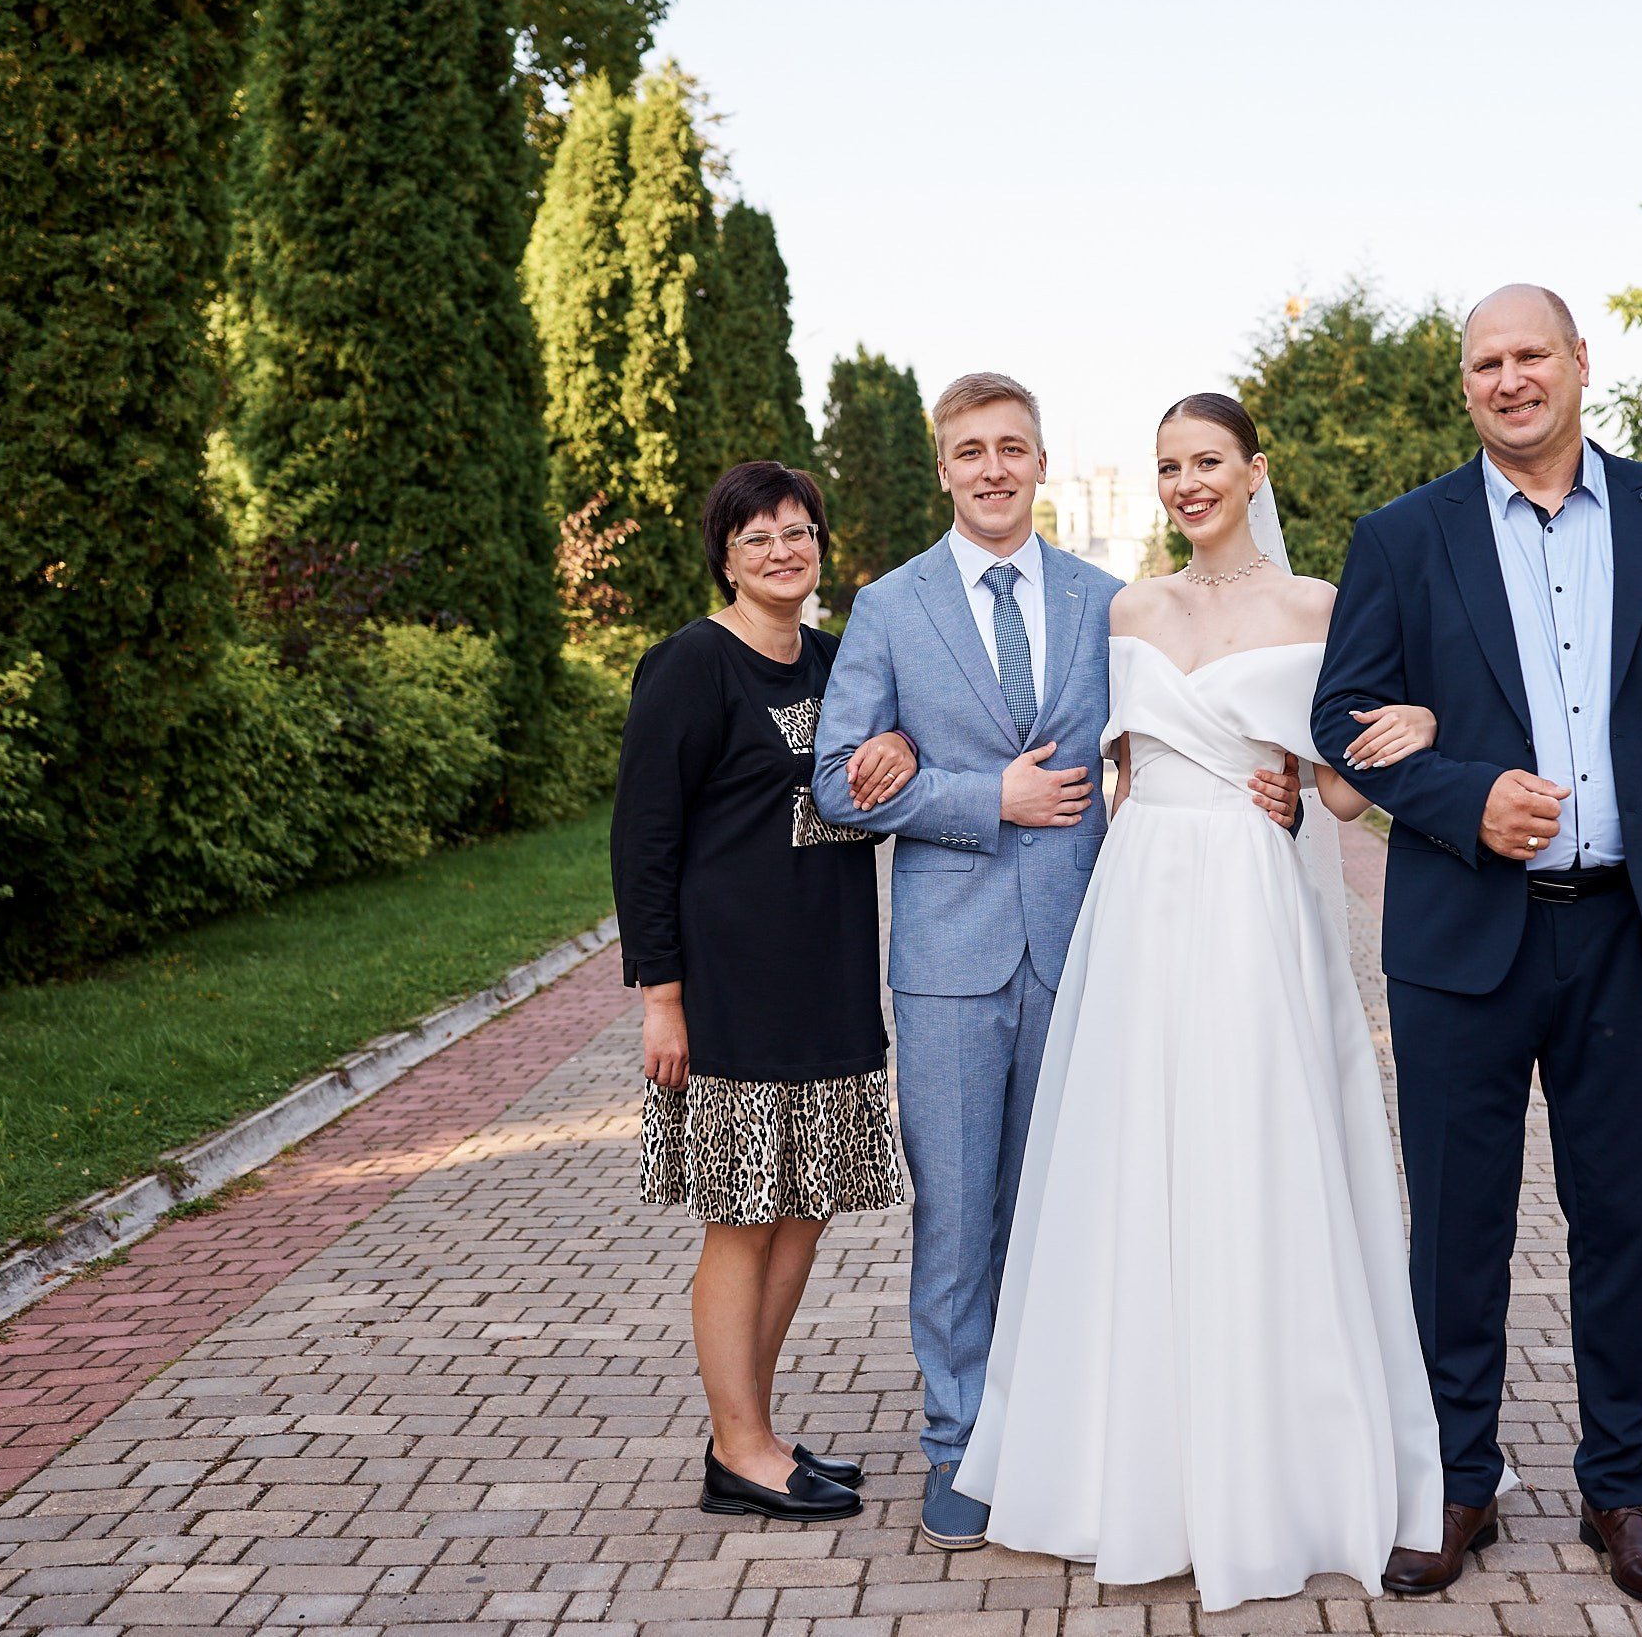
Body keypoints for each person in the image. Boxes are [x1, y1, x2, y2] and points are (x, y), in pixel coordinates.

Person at [953, 395, 1448, 1610]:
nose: (1186, 483)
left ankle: (1274, 1461)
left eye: (1207, 462)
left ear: (1251, 470)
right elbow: (1110, 762)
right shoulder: (1129, 607)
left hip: (1252, 894)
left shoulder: (1318, 606)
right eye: (1169, 465)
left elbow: (1339, 791)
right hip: (1144, 900)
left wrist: (1412, 728)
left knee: (1255, 1153)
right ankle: (1130, 1461)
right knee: (1134, 1161)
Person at [1312, 285, 1642, 1606]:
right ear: (1467, 387)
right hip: (1459, 940)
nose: (1509, 380)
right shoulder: (1404, 537)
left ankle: (1620, 1491)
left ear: (1579, 363)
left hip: (1629, 932)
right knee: (1457, 1227)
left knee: (1623, 1221)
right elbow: (1343, 718)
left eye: (1529, 356)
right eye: (1484, 363)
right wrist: (1466, 796)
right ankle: (1461, 1483)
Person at [809, 373, 1122, 1551]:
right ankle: (958, 1445)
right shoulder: (889, 607)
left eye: (1012, 447)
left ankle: (1055, 1431)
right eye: (969, 451)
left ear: (1042, 461)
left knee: (1061, 1205)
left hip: (1084, 947)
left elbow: (1151, 748)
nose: (992, 467)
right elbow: (839, 780)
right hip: (947, 961)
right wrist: (981, 795)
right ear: (941, 468)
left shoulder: (1108, 601)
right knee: (955, 1213)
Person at [610, 461, 922, 1524]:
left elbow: (881, 780)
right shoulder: (691, 666)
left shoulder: (842, 663)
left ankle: (753, 1430)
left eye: (800, 531)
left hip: (829, 973)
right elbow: (642, 842)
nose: (783, 550)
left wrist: (895, 746)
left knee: (805, 1205)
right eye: (759, 538)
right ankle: (738, 1446)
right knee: (743, 1217)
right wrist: (662, 995)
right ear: (726, 556)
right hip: (731, 986)